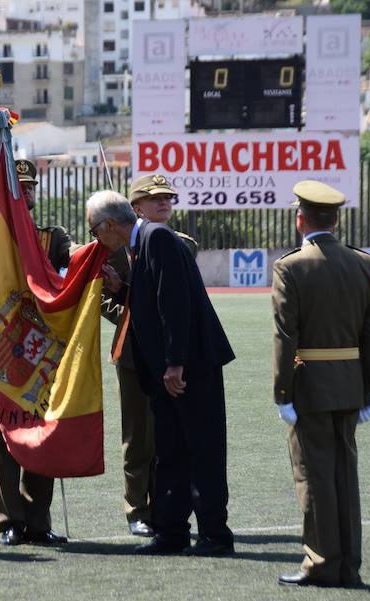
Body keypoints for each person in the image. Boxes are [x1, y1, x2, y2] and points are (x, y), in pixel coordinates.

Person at [86, 190, 235, 557]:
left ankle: (215, 534)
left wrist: (175, 362)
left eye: (94, 231)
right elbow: (153, 299)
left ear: (108, 225)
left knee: (202, 450)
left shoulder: (158, 238)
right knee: (169, 451)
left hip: (190, 368)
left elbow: (175, 303)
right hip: (169, 370)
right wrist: (123, 292)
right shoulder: (144, 242)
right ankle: (171, 531)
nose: (96, 239)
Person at [272, 180, 370, 587]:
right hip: (351, 385)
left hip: (310, 388)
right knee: (344, 476)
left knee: (314, 477)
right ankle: (348, 565)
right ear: (335, 220)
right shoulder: (363, 262)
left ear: (300, 219)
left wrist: (283, 393)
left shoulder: (291, 265)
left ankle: (321, 564)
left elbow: (286, 336)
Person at [100, 174, 198, 538]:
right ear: (135, 208)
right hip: (132, 350)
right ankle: (137, 508)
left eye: (168, 198)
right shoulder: (111, 248)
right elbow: (102, 298)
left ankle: (166, 506)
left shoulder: (184, 244)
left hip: (170, 353)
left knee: (168, 435)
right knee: (138, 438)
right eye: (155, 199)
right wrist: (128, 306)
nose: (165, 204)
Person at [0, 159, 70, 546]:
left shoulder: (52, 238)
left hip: (44, 349)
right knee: (7, 436)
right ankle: (10, 520)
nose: (25, 195)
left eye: (30, 189)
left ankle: (38, 520)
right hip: (4, 349)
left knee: (43, 433)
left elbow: (72, 268)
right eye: (18, 189)